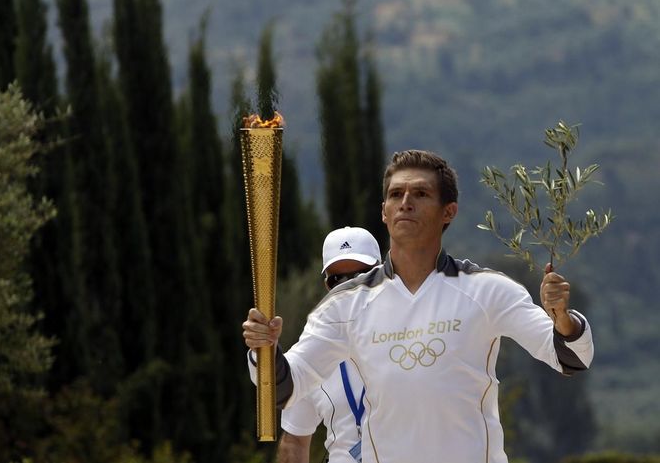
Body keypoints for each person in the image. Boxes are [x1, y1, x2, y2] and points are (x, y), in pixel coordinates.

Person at [242, 150, 594, 463]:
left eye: (420, 194)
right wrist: (265, 349)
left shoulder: (486, 290)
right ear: (383, 211)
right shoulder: (344, 306)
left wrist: (562, 319)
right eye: (396, 194)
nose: (405, 202)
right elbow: (285, 386)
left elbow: (571, 358)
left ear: (449, 211)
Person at [274, 227, 381, 463]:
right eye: (338, 280)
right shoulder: (310, 354)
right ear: (327, 286)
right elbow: (294, 442)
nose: (349, 287)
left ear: (382, 274)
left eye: (360, 276)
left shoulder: (414, 335)